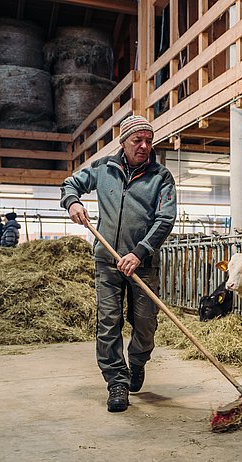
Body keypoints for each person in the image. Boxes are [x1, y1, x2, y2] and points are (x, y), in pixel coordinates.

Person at [60, 115, 177, 413]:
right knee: (108, 322)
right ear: (123, 142)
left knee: (146, 323)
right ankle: (117, 382)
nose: (144, 146)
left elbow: (165, 219)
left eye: (148, 140)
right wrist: (72, 201)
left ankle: (137, 362)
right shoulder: (104, 169)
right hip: (108, 261)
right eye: (137, 140)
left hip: (143, 263)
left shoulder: (161, 177)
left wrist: (139, 252)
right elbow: (71, 183)